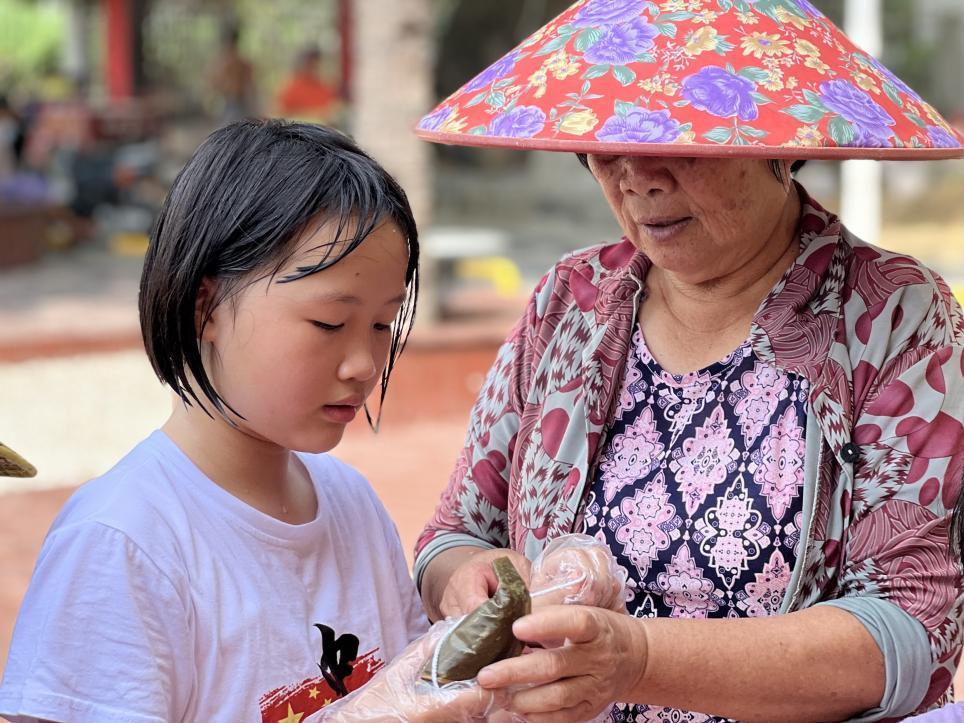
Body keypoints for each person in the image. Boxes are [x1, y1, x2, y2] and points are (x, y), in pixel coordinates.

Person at [412, 1, 964, 721]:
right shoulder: (568, 302)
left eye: (682, 140)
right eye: (610, 144)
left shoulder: (893, 314)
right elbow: (451, 537)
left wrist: (634, 659)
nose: (638, 177)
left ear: (779, 145)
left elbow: (911, 632)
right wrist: (475, 579)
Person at [0, 119, 491, 723]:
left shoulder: (351, 505)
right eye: (329, 324)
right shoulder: (122, 545)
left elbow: (417, 692)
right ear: (206, 307)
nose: (364, 363)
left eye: (384, 324)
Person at [276, 46, 340, 124]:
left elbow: (332, 113)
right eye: (311, 64)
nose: (314, 68)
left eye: (317, 64)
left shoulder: (326, 88)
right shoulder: (292, 87)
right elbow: (280, 113)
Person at [207, 25, 256, 122]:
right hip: (230, 102)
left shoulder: (227, 62)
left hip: (237, 102)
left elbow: (214, 84)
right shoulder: (238, 62)